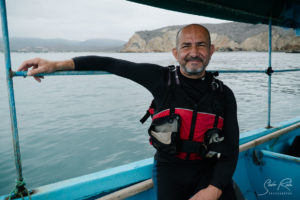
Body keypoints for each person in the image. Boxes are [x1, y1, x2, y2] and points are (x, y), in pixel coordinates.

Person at [18, 24, 239, 200]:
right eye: (186, 46)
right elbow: (108, 63)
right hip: (171, 168)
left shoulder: (224, 95)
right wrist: (55, 64)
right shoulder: (160, 79)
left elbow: (230, 149)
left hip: (210, 168)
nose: (193, 53)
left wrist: (214, 189)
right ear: (175, 52)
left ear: (211, 51)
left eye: (201, 46)